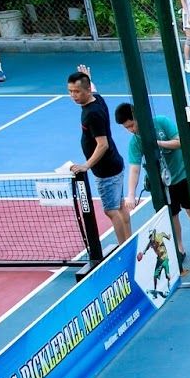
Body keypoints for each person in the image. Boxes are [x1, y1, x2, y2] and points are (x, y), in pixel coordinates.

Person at [115, 102, 189, 269]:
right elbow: (134, 169)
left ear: (138, 117)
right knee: (172, 215)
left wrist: (158, 143)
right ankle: (179, 248)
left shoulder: (161, 122)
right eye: (127, 128)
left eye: (131, 125)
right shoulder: (135, 142)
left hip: (182, 174)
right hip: (163, 183)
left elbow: (180, 142)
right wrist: (131, 194)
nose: (131, 130)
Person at [64, 70, 131, 247]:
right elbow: (93, 88)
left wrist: (86, 165)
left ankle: (123, 247)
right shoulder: (97, 99)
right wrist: (89, 79)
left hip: (106, 170)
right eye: (70, 91)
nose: (73, 95)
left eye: (77, 91)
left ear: (86, 91)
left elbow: (102, 145)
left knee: (111, 210)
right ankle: (129, 241)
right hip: (115, 163)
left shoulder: (92, 114)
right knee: (120, 205)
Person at [138, 227, 176, 298]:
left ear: (154, 234)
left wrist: (168, 237)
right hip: (159, 260)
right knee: (155, 276)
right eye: (149, 236)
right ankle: (155, 290)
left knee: (167, 275)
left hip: (165, 258)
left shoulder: (159, 237)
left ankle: (169, 287)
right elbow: (147, 247)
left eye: (151, 235)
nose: (150, 237)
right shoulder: (151, 242)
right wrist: (143, 253)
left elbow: (162, 234)